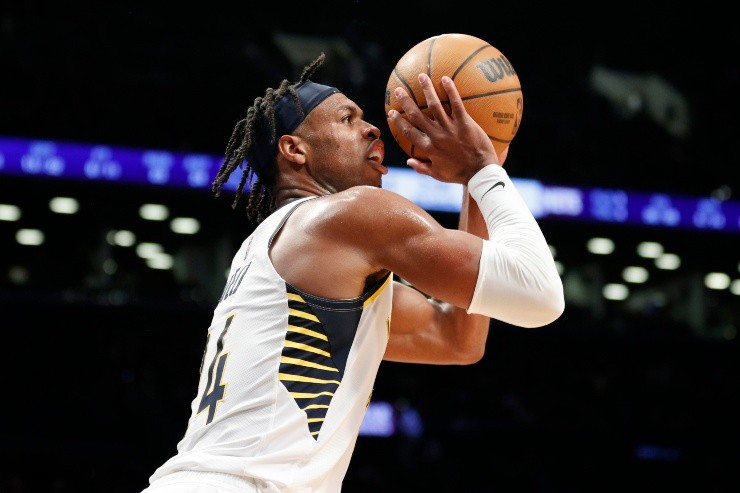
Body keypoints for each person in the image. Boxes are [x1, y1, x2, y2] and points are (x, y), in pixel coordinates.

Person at [141, 52, 564, 493]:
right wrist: (483, 168)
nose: (373, 128)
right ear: (295, 149)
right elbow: (540, 296)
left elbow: (458, 337)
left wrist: (472, 185)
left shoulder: (291, 255)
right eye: (347, 118)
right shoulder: (349, 215)